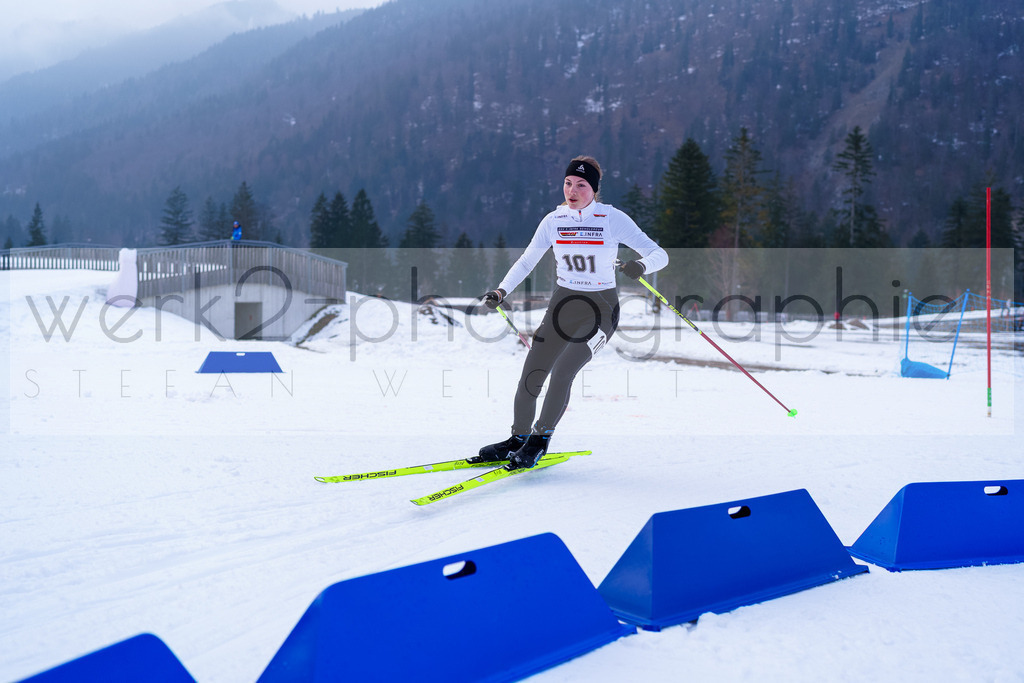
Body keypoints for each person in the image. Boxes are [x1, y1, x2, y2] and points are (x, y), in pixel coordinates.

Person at [472, 156, 668, 470]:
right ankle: (518, 438)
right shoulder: (554, 220)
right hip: (563, 305)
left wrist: (641, 266)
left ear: (594, 190)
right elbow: (526, 261)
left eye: (581, 185)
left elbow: (660, 254)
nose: (572, 190)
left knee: (563, 371)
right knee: (533, 372)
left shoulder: (610, 218)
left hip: (601, 309)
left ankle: (539, 440)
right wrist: (501, 290)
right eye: (568, 183)